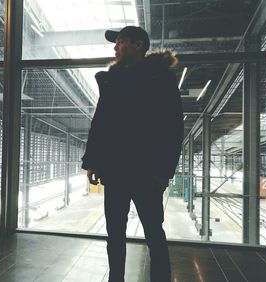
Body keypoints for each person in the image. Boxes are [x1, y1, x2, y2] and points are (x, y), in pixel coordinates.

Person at [81, 26, 184, 282]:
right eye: (116, 43)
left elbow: (173, 129)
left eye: (121, 42)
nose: (115, 47)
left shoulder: (160, 79)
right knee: (115, 234)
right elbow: (100, 123)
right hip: (115, 170)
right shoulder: (113, 81)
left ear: (138, 45)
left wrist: (163, 172)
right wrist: (91, 161)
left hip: (147, 173)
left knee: (153, 234)